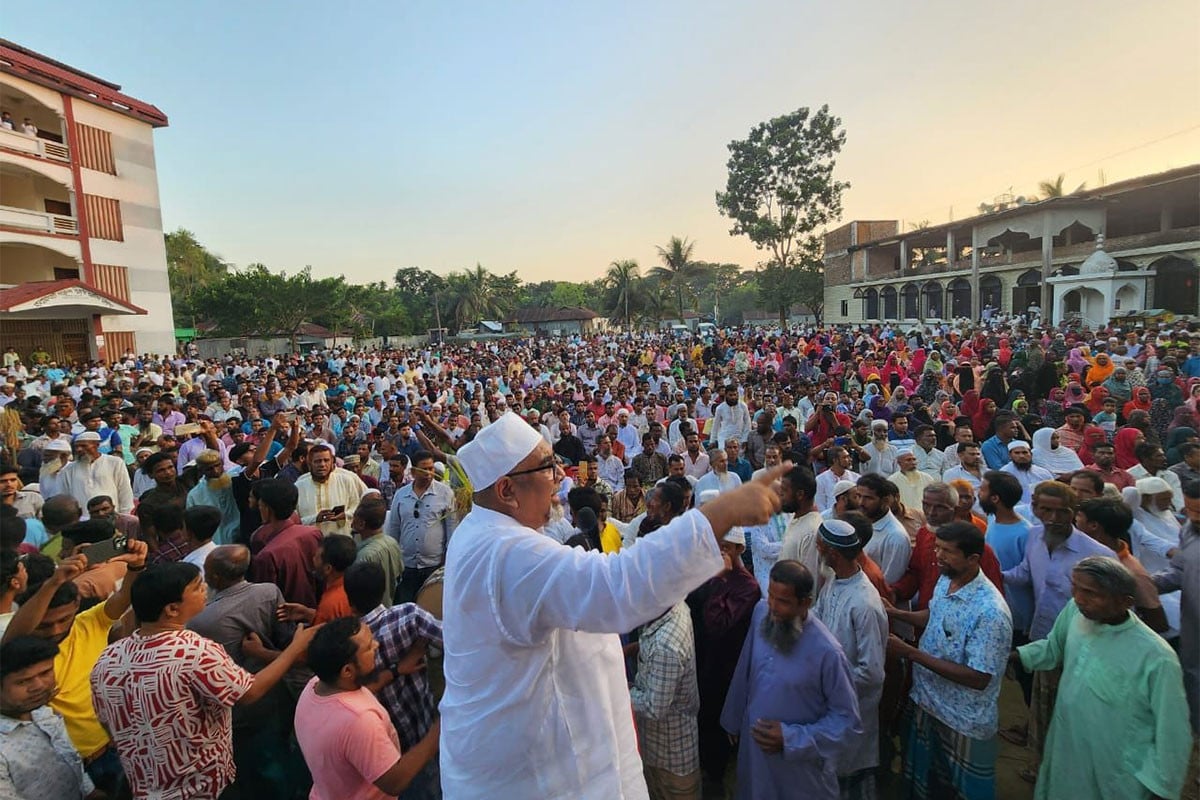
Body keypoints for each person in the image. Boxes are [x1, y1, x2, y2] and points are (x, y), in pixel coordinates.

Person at [437, 412, 786, 798]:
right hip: (535, 775)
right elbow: (616, 587)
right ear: (506, 490)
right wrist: (723, 513)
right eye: (547, 467)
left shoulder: (489, 534)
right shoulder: (506, 552)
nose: (558, 480)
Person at [90, 561, 318, 800]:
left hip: (145, 787)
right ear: (172, 609)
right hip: (204, 788)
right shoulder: (194, 651)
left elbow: (108, 722)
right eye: (198, 588)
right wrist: (295, 648)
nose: (206, 591)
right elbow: (249, 692)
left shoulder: (108, 658)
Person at [1017, 557, 1191, 800]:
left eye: (1090, 593)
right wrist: (1014, 657)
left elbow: (1172, 732)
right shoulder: (1076, 613)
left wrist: (1161, 788)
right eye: (1075, 588)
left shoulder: (1156, 657)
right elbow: (1052, 648)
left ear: (1125, 602)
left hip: (1117, 771)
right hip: (1068, 745)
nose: (1078, 598)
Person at [1, 540, 148, 795]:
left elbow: (125, 597)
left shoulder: (89, 623)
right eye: (46, 625)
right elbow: (13, 639)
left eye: (63, 619)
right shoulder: (23, 654)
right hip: (69, 760)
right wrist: (54, 582)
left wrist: (136, 566)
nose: (56, 630)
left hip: (110, 750)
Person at [886, 521, 1013, 800]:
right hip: (927, 702)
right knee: (930, 785)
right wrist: (894, 613)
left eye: (947, 551)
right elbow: (934, 616)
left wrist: (911, 653)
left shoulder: (990, 612)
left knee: (965, 791)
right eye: (937, 548)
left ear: (973, 559)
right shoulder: (947, 579)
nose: (938, 557)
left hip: (962, 719)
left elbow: (979, 678)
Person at [719, 560, 861, 799]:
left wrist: (790, 738)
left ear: (805, 603)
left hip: (798, 770)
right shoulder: (760, 613)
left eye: (783, 601)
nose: (773, 607)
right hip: (754, 755)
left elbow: (847, 723)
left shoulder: (828, 652)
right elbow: (746, 666)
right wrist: (733, 717)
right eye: (771, 596)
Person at [1002, 480, 1115, 775]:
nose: (1052, 519)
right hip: (1044, 638)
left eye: (1061, 512)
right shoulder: (1034, 536)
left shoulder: (1097, 554)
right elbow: (1024, 573)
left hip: (1083, 646)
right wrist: (989, 574)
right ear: (1035, 508)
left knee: (1075, 714)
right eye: (1045, 510)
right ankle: (1044, 767)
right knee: (1043, 708)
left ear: (1073, 512)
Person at [187, 545, 300, 799]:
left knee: (252, 766)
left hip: (238, 705)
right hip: (275, 690)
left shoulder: (202, 620)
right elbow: (285, 635)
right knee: (279, 752)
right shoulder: (269, 592)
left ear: (215, 578)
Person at [294, 617, 442, 799]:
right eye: (368, 647)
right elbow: (394, 781)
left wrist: (396, 671)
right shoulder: (359, 721)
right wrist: (440, 728)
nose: (377, 645)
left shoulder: (315, 686)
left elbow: (356, 693)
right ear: (347, 671)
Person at [811, 519, 888, 799]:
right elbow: (818, 619)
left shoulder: (864, 603)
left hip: (851, 708)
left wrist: (827, 685)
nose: (817, 552)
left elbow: (871, 673)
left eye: (820, 547)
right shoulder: (835, 580)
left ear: (832, 553)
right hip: (829, 702)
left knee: (850, 779)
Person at [687, 525, 760, 793]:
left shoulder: (747, 587)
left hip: (725, 669)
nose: (720, 552)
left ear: (740, 549)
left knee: (716, 722)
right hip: (702, 660)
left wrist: (718, 580)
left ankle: (716, 778)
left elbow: (718, 626)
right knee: (702, 718)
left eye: (726, 548)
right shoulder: (709, 572)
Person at [0, 636, 96, 799]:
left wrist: (89, 791)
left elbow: (70, 756)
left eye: (45, 672)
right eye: (23, 681)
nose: (39, 686)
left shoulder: (42, 712)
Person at [630, 595, 701, 800]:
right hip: (657, 748)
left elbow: (654, 707)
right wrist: (635, 648)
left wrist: (622, 692)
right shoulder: (675, 606)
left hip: (669, 757)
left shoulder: (666, 645)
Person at [892, 483, 1004, 612]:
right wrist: (895, 591)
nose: (931, 512)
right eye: (926, 505)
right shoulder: (924, 534)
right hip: (926, 617)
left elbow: (994, 595)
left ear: (955, 509)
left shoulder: (973, 545)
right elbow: (916, 573)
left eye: (939, 508)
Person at [386, 450, 458, 604]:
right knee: (406, 606)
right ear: (412, 472)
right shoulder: (401, 495)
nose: (429, 473)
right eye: (424, 469)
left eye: (431, 468)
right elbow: (394, 530)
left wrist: (447, 560)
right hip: (407, 566)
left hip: (434, 566)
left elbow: (452, 530)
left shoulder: (445, 493)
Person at [248, 479, 323, 607]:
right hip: (317, 606)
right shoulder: (314, 533)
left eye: (261, 505)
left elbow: (265, 600)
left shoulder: (267, 554)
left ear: (267, 509)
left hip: (288, 614)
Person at [295, 444, 367, 537]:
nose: (322, 464)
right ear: (309, 463)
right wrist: (315, 518)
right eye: (317, 461)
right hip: (310, 544)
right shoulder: (299, 486)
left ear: (332, 462)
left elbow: (357, 508)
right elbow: (294, 521)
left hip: (341, 541)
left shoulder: (346, 480)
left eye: (326, 460)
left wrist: (345, 515)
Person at [854, 474, 912, 585]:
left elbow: (888, 584)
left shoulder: (896, 536)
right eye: (858, 496)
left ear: (885, 501)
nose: (861, 502)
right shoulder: (860, 523)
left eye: (868, 498)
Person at [59, 431, 133, 516]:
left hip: (110, 517)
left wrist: (125, 513)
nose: (79, 449)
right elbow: (64, 495)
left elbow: (124, 489)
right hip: (82, 519)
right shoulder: (68, 469)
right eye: (77, 446)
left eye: (83, 446)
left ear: (97, 445)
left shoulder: (114, 462)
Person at [778, 467, 826, 591]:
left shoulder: (812, 532)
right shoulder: (795, 518)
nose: (780, 494)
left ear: (800, 494)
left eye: (784, 490)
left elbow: (811, 583)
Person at [353, 496, 403, 606]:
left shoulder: (364, 556)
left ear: (362, 524)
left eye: (354, 518)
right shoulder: (392, 543)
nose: (352, 522)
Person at [999, 440, 1054, 507]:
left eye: (1025, 452)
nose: (1021, 456)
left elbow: (1052, 492)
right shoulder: (1004, 473)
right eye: (1017, 453)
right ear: (1010, 456)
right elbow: (1005, 497)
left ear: (1031, 454)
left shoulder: (1043, 473)